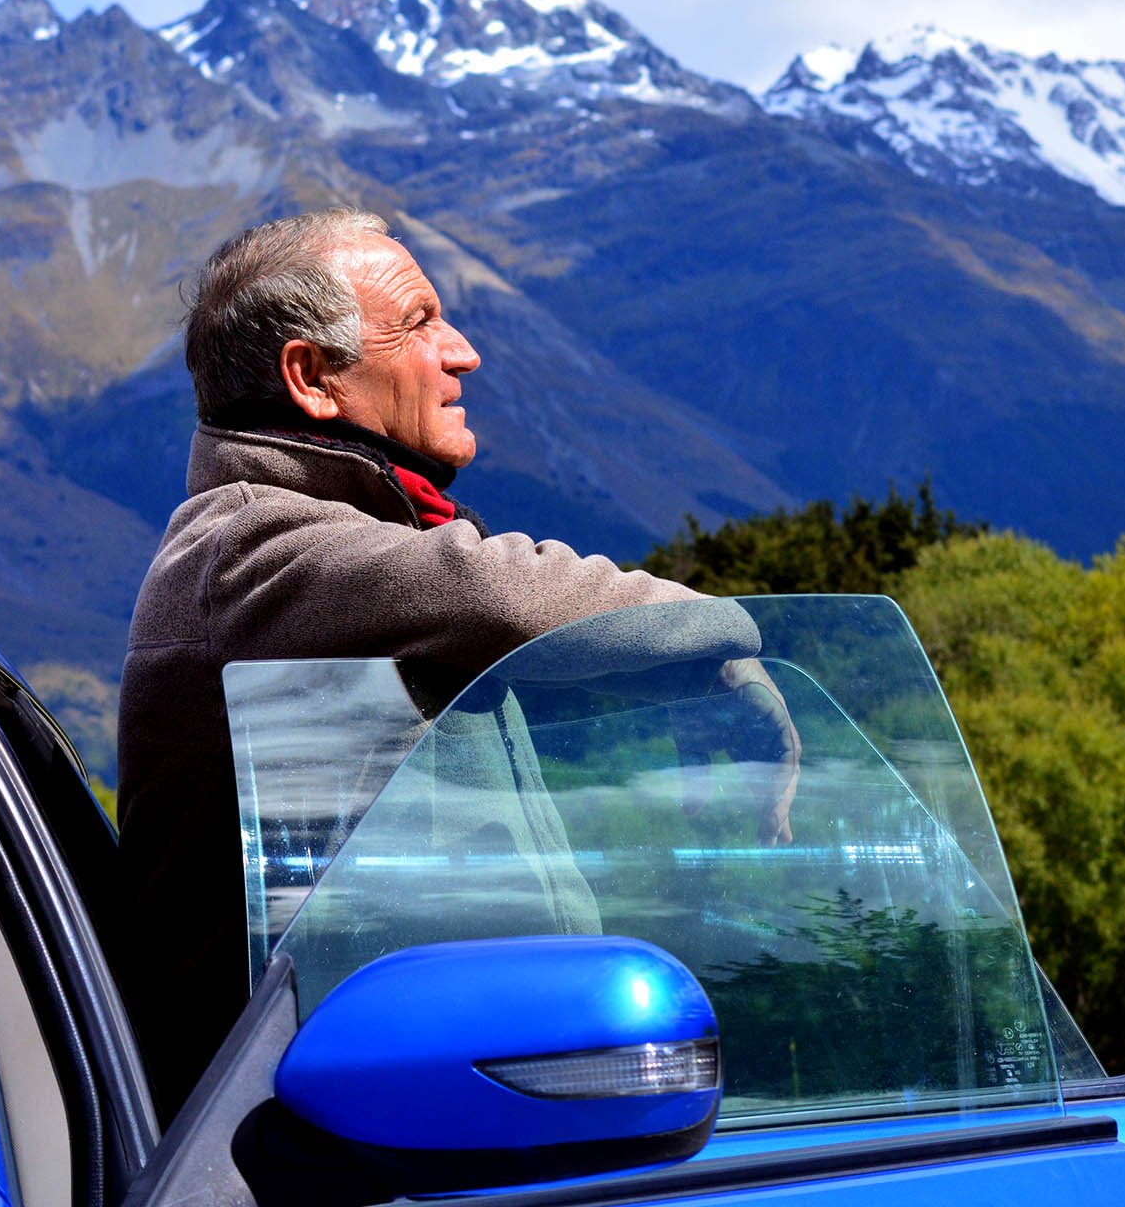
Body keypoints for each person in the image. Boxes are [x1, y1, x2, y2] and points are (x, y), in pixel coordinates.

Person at [113, 209, 795, 1121]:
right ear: (313, 379)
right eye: (420, 323)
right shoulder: (249, 550)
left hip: (418, 1116)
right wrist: (733, 641)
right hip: (292, 1146)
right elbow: (507, 599)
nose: (463, 352)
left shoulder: (345, 552)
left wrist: (698, 677)